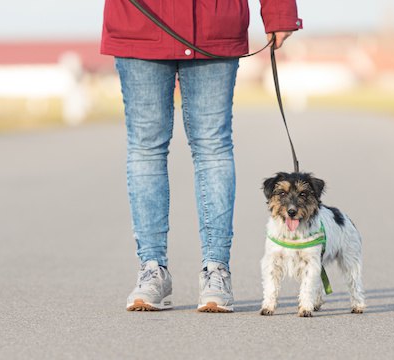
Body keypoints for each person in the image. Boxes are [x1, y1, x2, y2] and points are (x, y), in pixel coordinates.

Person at [101, 0, 302, 312]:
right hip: (140, 20)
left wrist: (279, 11)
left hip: (213, 23)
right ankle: (152, 269)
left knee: (213, 148)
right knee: (146, 148)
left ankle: (216, 270)